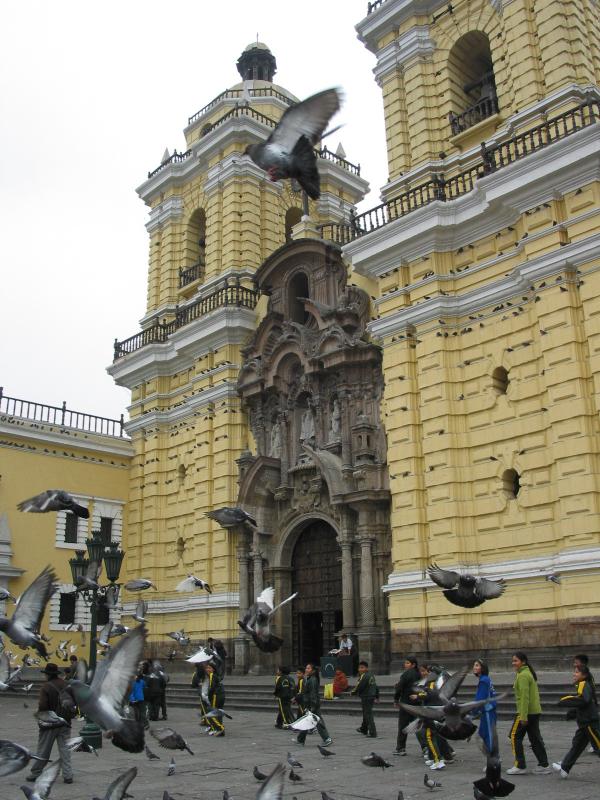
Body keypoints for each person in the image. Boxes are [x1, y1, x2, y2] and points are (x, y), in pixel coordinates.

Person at [25, 663, 73, 785]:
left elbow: (43, 706)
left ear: (48, 675)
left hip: (50, 724)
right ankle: (68, 775)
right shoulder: (66, 684)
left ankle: (36, 773)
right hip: (65, 722)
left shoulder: (46, 687)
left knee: (43, 750)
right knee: (65, 750)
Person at [552, 663, 600, 778]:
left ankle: (565, 767)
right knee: (577, 746)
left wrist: (565, 700)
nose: (574, 674)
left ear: (584, 675)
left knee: (598, 746)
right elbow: (584, 703)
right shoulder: (583, 684)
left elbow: (584, 700)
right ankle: (565, 768)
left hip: (589, 723)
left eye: (577, 672)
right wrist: (573, 712)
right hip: (584, 723)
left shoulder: (583, 684)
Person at [507, 651, 550, 775]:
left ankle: (520, 765)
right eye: (513, 660)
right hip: (534, 711)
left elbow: (525, 697)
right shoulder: (526, 673)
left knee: (515, 736)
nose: (513, 663)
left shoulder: (523, 675)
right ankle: (543, 764)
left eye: (516, 661)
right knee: (535, 738)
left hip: (525, 712)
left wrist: (523, 716)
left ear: (523, 662)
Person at [295, 663, 332, 746]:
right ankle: (300, 739)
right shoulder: (309, 679)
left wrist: (313, 707)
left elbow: (313, 694)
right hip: (309, 704)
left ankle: (327, 738)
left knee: (318, 722)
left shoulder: (313, 680)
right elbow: (305, 693)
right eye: (306, 668)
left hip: (312, 705)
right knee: (306, 721)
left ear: (313, 671)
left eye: (308, 668)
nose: (306, 670)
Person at [393, 655, 420, 756]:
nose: (405, 665)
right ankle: (425, 747)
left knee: (403, 726)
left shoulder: (406, 674)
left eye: (408, 663)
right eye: (405, 663)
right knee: (418, 726)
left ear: (413, 664)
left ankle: (400, 748)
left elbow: (399, 688)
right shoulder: (419, 673)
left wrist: (396, 699)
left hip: (406, 703)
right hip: (417, 703)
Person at [472, 659, 498, 757]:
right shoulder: (485, 679)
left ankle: (494, 759)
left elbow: (480, 699)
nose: (474, 667)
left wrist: (473, 712)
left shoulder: (483, 681)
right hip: (487, 711)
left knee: (488, 736)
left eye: (477, 665)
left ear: (483, 668)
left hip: (488, 712)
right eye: (474, 665)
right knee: (482, 735)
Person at [352, 660, 379, 737]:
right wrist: (377, 696)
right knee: (366, 713)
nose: (360, 669)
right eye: (359, 668)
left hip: (366, 697)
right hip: (371, 696)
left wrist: (353, 692)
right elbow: (376, 686)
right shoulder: (371, 675)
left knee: (368, 714)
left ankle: (373, 732)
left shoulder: (364, 676)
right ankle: (364, 728)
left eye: (362, 668)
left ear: (366, 668)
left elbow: (359, 686)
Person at [205, 662, 226, 737]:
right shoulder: (216, 675)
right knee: (218, 712)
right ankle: (217, 729)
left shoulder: (212, 675)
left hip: (216, 695)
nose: (208, 669)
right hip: (221, 694)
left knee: (212, 712)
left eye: (209, 668)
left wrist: (208, 698)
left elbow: (212, 688)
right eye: (207, 668)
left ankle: (220, 729)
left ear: (213, 669)